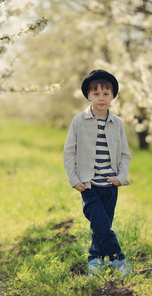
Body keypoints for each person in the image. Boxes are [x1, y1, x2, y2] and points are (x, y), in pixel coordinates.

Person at [63, 69, 132, 277]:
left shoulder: (117, 123)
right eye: (96, 94)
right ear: (88, 96)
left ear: (112, 96)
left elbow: (125, 155)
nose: (101, 98)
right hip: (89, 185)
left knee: (100, 226)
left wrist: (120, 178)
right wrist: (74, 180)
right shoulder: (79, 121)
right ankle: (118, 259)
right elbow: (69, 152)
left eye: (105, 94)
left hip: (110, 186)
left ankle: (95, 259)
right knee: (100, 223)